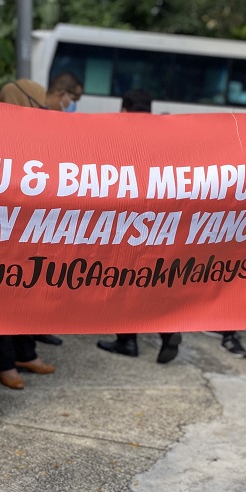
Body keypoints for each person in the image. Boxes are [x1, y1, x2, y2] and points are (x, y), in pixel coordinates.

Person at [96, 90, 182, 364]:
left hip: (127, 222)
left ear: (124, 109)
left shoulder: (120, 137)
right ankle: (167, 330)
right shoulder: (166, 137)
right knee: (150, 281)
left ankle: (127, 341)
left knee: (123, 282)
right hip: (159, 222)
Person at [0, 78, 58, 388]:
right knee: (4, 297)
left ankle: (25, 353)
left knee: (26, 292)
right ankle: (5, 361)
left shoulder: (35, 140)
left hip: (30, 232)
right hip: (3, 235)